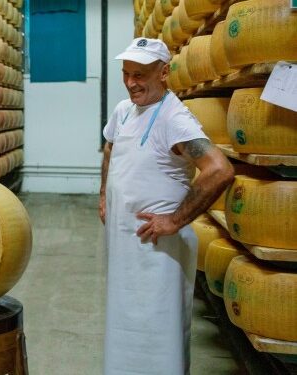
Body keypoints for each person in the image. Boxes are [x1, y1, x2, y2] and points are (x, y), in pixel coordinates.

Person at [99, 38, 234, 374]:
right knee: (124, 323)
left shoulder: (175, 118)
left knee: (159, 333)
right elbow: (110, 148)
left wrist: (174, 220)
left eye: (140, 74)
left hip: (159, 249)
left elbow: (219, 170)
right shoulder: (124, 111)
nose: (131, 83)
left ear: (164, 72)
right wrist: (105, 196)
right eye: (126, 73)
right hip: (124, 244)